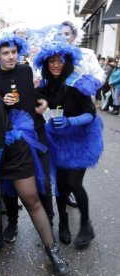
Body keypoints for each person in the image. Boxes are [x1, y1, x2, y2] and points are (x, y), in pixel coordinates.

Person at [0, 35, 70, 275]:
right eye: (5, 53)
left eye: (13, 52)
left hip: (27, 139)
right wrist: (1, 102)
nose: (10, 56)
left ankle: (53, 251)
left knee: (34, 194)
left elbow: (34, 96)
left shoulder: (25, 71)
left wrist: (41, 101)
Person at [34, 40, 103, 248]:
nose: (56, 65)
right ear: (45, 63)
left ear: (68, 62)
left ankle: (85, 223)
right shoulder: (45, 85)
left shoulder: (78, 83)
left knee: (74, 183)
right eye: (52, 61)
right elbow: (37, 102)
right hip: (59, 139)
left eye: (60, 60)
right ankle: (63, 222)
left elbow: (91, 113)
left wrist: (70, 121)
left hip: (81, 138)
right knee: (61, 186)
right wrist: (42, 105)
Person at [58, 20, 106, 207]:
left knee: (77, 160)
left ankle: (71, 188)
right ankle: (65, 193)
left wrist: (89, 84)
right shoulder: (53, 56)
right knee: (62, 160)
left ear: (74, 36)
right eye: (60, 34)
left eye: (67, 34)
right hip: (60, 112)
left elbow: (100, 75)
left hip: (83, 113)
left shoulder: (87, 54)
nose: (64, 37)